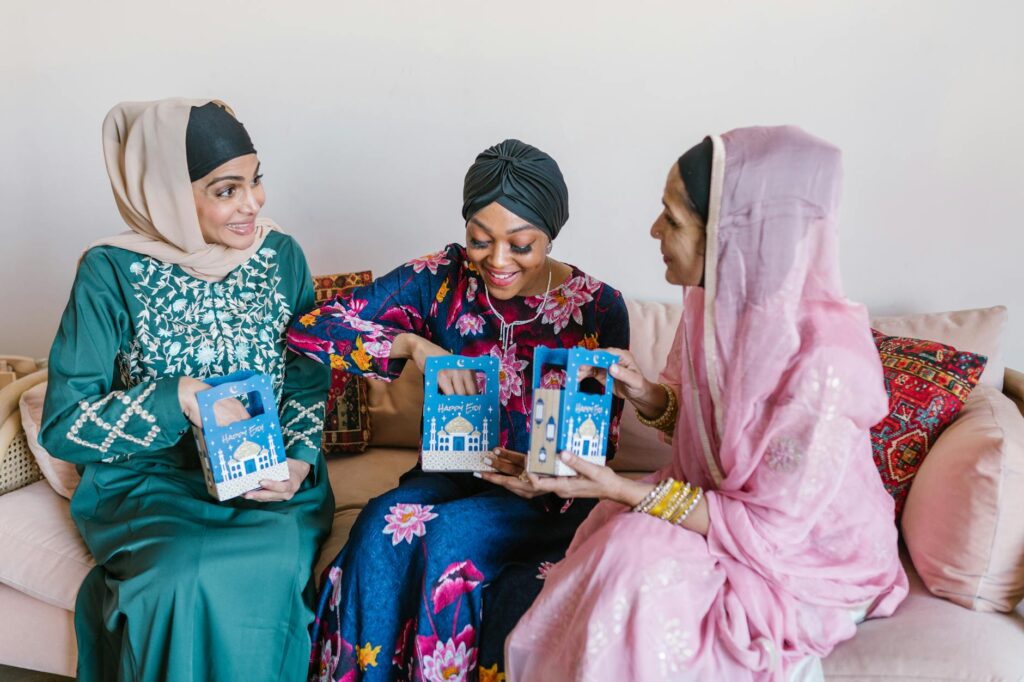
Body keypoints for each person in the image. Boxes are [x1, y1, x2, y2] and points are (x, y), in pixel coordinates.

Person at [505, 126, 908, 681]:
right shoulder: (711, 310)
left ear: (729, 236)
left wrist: (620, 488)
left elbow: (771, 527)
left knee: (631, 555)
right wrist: (645, 391)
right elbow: (705, 439)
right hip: (721, 512)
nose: (653, 230)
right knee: (625, 546)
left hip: (807, 556)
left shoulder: (825, 362)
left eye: (671, 219)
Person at [287, 139, 629, 681]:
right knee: (380, 526)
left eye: (521, 245)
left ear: (551, 233)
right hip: (448, 476)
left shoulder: (598, 307)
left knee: (450, 539)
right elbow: (310, 329)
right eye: (480, 240)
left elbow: (600, 440)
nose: (497, 261)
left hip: (542, 498)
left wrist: (547, 478)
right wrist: (413, 347)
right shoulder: (439, 278)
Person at [40, 98, 333, 681]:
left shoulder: (280, 257)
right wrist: (177, 397)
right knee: (179, 576)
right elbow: (63, 425)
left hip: (264, 478)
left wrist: (299, 462)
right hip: (149, 484)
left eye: (256, 181)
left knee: (274, 562)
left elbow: (306, 379)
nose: (253, 204)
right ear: (167, 193)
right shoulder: (110, 272)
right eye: (226, 190)